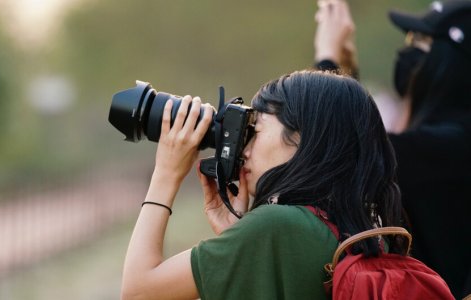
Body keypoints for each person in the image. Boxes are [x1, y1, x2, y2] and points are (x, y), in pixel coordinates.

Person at [121, 70, 406, 299]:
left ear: (302, 139)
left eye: (255, 131)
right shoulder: (362, 229)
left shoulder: (278, 226)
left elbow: (138, 292)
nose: (244, 150)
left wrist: (166, 174)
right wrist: (238, 240)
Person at [314, 0, 471, 298]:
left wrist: (328, 61)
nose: (406, 50)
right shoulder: (446, 142)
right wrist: (345, 76)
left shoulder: (451, 146)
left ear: (453, 64)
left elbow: (343, 154)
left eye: (419, 41)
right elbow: (370, 149)